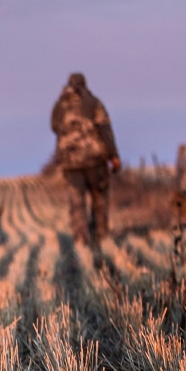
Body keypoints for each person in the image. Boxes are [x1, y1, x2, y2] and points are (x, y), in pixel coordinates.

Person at [50, 72, 121, 247]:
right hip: (94, 160)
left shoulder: (59, 106)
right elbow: (105, 128)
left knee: (76, 204)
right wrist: (113, 155)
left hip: (70, 163)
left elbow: (54, 127)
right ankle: (101, 237)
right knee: (99, 199)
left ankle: (81, 242)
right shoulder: (93, 103)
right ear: (84, 84)